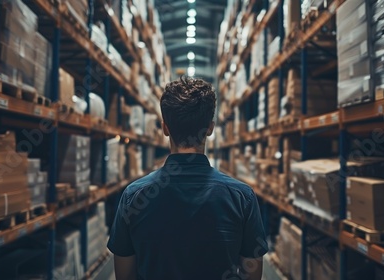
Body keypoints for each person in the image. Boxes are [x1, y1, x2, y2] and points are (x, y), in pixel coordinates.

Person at [107, 77, 268, 280]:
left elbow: (124, 275)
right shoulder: (242, 197)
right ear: (210, 128)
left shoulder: (134, 196)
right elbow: (252, 274)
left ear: (165, 128)